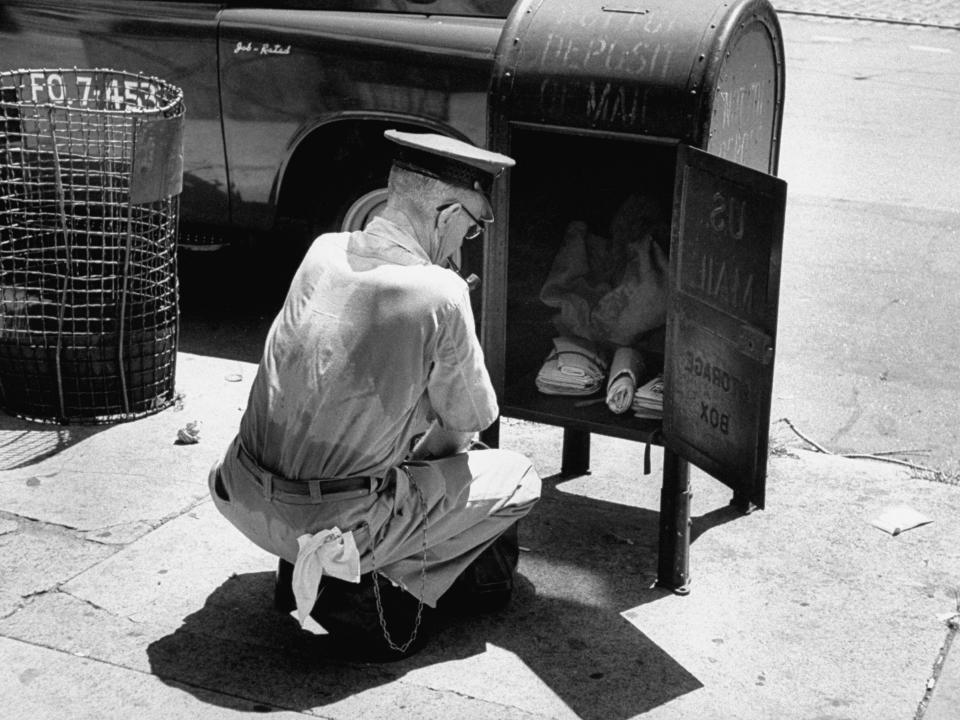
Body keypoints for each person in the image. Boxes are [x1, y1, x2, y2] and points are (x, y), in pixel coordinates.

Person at [208, 129, 541, 661]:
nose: (463, 246)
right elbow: (469, 423)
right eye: (470, 230)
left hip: (240, 493)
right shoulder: (442, 291)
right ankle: (366, 582)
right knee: (519, 477)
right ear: (446, 216)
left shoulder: (323, 251)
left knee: (367, 447)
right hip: (335, 526)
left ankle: (312, 566)